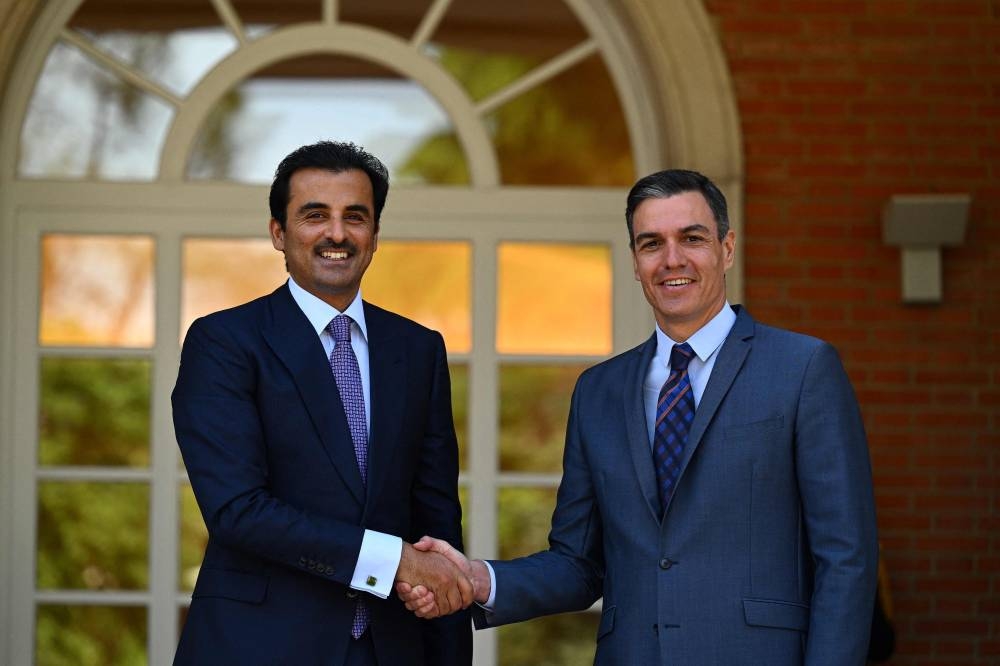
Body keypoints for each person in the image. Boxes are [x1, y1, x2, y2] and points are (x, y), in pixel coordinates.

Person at [399, 169, 879, 665]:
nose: (672, 259)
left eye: (692, 238)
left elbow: (846, 561)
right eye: (652, 243)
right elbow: (578, 564)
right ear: (634, 261)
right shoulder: (598, 392)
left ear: (727, 248)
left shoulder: (802, 369)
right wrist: (480, 578)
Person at [172, 141, 473, 665]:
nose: (337, 233)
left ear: (375, 236)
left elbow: (437, 522)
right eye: (315, 215)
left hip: (391, 649)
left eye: (354, 217)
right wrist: (392, 558)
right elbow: (237, 510)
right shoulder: (223, 342)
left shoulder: (418, 349)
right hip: (259, 646)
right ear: (278, 233)